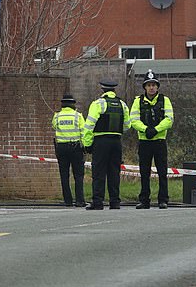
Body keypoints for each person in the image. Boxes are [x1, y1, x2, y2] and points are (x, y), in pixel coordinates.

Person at [83, 79, 131, 210]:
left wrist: (87, 144)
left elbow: (89, 126)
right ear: (114, 90)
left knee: (98, 172)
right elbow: (127, 125)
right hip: (116, 141)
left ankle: (98, 202)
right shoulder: (122, 104)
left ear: (102, 90)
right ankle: (115, 202)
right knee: (114, 172)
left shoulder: (98, 104)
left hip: (101, 141)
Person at [130, 70, 174, 209]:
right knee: (144, 172)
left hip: (159, 141)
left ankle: (163, 200)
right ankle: (144, 200)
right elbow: (134, 120)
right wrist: (145, 129)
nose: (151, 87)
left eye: (154, 85)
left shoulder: (164, 100)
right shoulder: (138, 101)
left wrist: (155, 129)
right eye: (148, 85)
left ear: (157, 86)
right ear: (144, 87)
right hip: (144, 141)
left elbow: (169, 119)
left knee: (162, 172)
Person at [52, 94, 86, 207]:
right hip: (75, 147)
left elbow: (54, 126)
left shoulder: (57, 116)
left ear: (63, 104)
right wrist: (85, 147)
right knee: (78, 175)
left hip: (61, 148)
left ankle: (68, 201)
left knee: (64, 175)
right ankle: (80, 200)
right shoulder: (78, 116)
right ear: (73, 105)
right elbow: (83, 132)